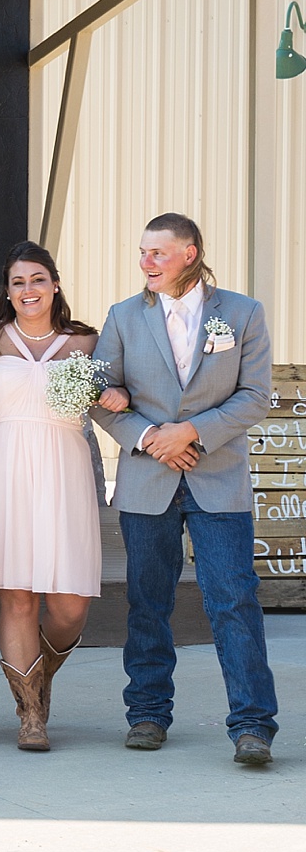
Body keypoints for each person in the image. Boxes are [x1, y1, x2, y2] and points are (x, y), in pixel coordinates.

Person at [92, 213, 278, 766]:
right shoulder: (123, 316)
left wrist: (190, 432)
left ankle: (252, 726)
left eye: (158, 253)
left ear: (190, 253)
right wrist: (153, 437)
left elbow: (255, 396)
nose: (145, 262)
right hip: (148, 479)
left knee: (234, 599)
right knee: (148, 601)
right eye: (143, 252)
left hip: (217, 478)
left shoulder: (242, 313)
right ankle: (147, 713)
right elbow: (98, 393)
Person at [0, 242, 102, 753]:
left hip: (66, 472)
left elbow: (122, 391)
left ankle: (41, 673)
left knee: (70, 605)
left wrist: (116, 395)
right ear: (8, 290)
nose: (29, 290)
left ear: (55, 284)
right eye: (19, 282)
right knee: (18, 594)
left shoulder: (87, 341)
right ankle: (30, 713)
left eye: (38, 279)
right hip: (4, 471)